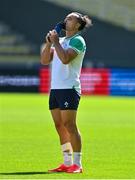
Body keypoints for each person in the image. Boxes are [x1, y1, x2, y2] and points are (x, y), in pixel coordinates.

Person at [41, 12, 92, 173]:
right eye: (66, 18)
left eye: (70, 18)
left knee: (70, 125)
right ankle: (67, 162)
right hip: (55, 88)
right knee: (59, 126)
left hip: (69, 88)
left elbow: (65, 59)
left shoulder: (78, 40)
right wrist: (49, 43)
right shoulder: (61, 41)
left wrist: (55, 42)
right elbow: (44, 61)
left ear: (77, 25)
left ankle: (77, 164)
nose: (66, 20)